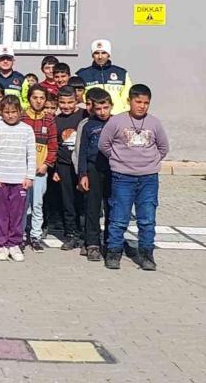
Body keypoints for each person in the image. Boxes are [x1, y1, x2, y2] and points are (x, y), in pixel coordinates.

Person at [99, 84, 169, 271]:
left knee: (147, 218)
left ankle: (146, 254)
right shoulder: (116, 122)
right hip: (122, 177)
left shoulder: (154, 123)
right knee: (119, 217)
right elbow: (104, 144)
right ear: (129, 101)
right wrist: (118, 160)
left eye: (146, 103)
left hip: (148, 179)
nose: (142, 106)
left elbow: (163, 147)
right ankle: (114, 252)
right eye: (138, 102)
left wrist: (150, 162)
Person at [0, 96, 37, 262]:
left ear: (20, 112)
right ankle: (1, 244)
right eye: (7, 112)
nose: (10, 115)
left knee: (17, 214)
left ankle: (14, 243)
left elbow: (31, 154)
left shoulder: (27, 130)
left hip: (19, 179)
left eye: (14, 112)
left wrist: (29, 176)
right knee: (1, 213)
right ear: (1, 112)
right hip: (0, 178)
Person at [78, 89, 113, 262]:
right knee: (92, 207)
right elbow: (82, 152)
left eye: (105, 108)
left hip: (113, 169)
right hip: (93, 168)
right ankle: (92, 243)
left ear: (111, 106)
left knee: (112, 207)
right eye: (98, 109)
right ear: (93, 109)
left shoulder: (116, 123)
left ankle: (111, 241)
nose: (102, 112)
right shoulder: (88, 125)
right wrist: (82, 174)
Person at [21, 84, 57, 252]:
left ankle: (35, 236)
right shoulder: (22, 117)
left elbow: (53, 145)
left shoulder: (49, 119)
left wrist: (46, 164)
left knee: (37, 204)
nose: (38, 101)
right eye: (35, 97)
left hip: (40, 170)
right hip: (23, 170)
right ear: (29, 98)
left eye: (42, 98)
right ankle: (21, 234)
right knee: (23, 204)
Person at [53, 86, 86, 251]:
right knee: (68, 201)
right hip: (64, 165)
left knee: (84, 201)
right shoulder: (56, 120)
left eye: (70, 102)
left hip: (82, 165)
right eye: (62, 103)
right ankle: (71, 234)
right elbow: (55, 146)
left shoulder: (84, 116)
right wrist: (56, 169)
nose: (66, 106)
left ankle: (85, 235)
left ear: (76, 100)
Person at [77, 39, 132, 115]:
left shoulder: (122, 73)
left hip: (117, 116)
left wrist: (124, 114)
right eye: (96, 53)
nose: (100, 57)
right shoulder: (82, 74)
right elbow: (78, 97)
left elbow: (127, 97)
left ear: (109, 54)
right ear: (92, 55)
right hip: (93, 116)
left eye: (103, 53)